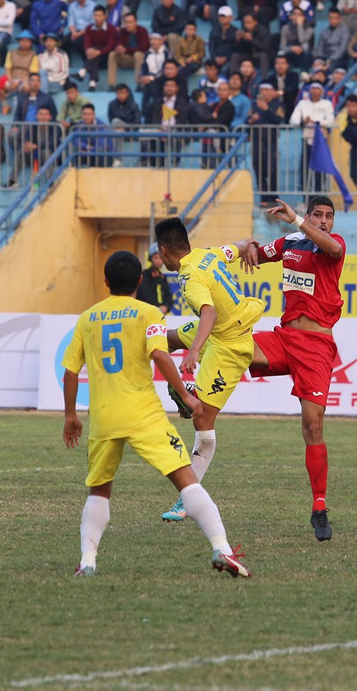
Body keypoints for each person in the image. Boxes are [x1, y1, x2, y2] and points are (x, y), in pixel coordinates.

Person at [62, 251, 249, 578]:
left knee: (100, 490)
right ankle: (222, 548)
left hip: (104, 418)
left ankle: (88, 560)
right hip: (144, 415)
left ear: (105, 282)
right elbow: (160, 355)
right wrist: (189, 397)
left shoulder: (87, 318)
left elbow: (70, 372)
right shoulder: (149, 313)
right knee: (186, 482)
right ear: (139, 281)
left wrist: (70, 416)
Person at [214, 196, 348, 541]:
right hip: (284, 338)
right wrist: (244, 248)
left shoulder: (335, 245)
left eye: (328, 216)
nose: (323, 220)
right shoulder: (290, 243)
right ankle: (193, 391)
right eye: (317, 214)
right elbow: (256, 255)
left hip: (317, 347)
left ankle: (319, 507)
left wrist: (297, 219)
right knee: (234, 343)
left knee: (311, 426)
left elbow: (331, 249)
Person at [154, 219, 265, 525]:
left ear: (163, 251)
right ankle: (177, 388)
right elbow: (241, 246)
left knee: (203, 417)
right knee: (169, 338)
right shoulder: (207, 254)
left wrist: (193, 352)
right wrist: (249, 247)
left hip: (230, 342)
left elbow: (209, 313)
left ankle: (188, 498)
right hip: (220, 331)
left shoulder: (189, 276)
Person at [136, 250, 173, 315]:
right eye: (156, 258)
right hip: (146, 313)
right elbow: (144, 295)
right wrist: (156, 308)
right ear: (151, 259)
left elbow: (168, 296)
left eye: (160, 258)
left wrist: (166, 307)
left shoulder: (162, 277)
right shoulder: (144, 275)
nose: (158, 261)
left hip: (160, 314)